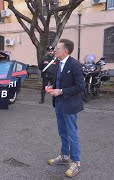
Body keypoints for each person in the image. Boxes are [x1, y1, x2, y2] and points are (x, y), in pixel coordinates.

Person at [47, 39, 85, 178]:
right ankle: (64, 156)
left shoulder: (74, 64)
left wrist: (61, 91)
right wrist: (53, 88)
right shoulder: (58, 63)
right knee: (62, 131)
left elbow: (80, 87)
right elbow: (59, 81)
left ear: (65, 51)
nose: (55, 50)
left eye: (57, 48)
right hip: (59, 103)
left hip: (70, 104)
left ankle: (76, 162)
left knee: (71, 133)